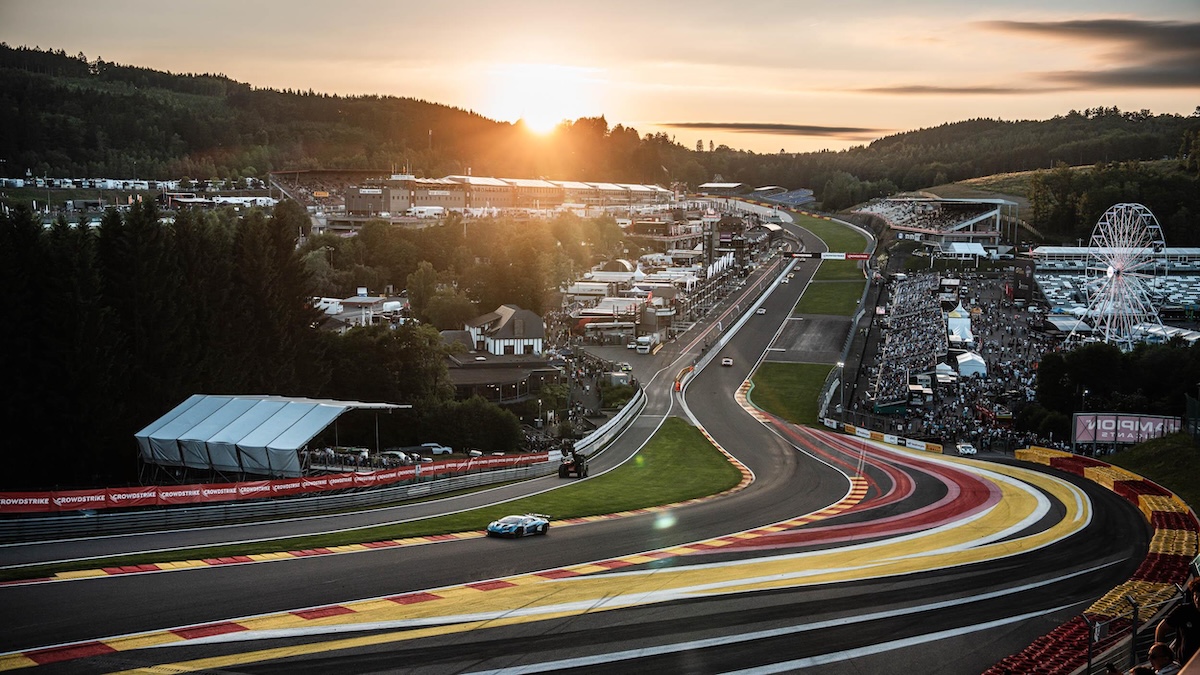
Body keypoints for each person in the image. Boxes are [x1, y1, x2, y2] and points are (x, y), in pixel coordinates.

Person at [1156, 578, 1200, 666]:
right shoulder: (1183, 611)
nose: (1198, 600)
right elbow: (1161, 628)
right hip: (1184, 665)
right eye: (1196, 596)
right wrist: (1160, 653)